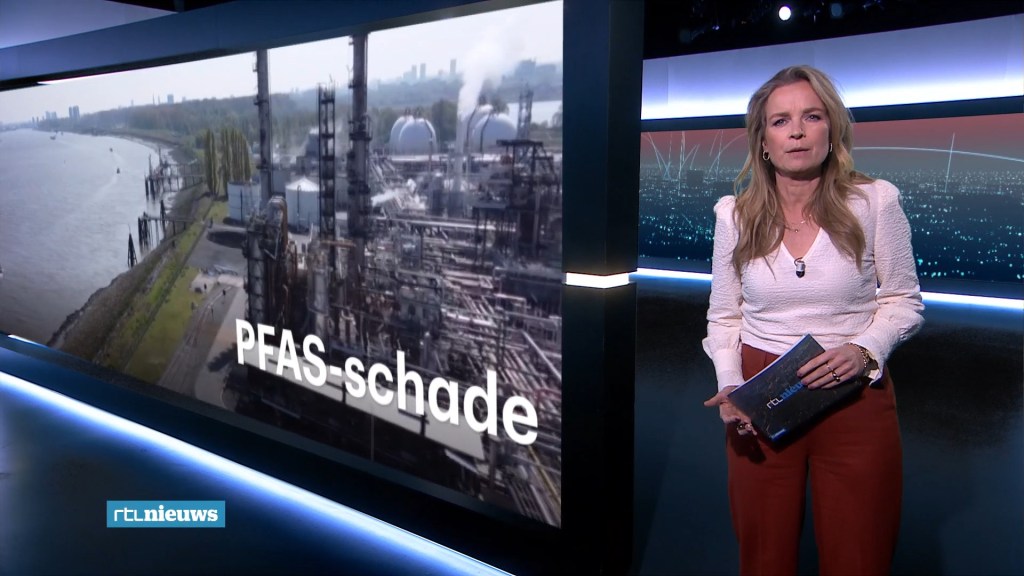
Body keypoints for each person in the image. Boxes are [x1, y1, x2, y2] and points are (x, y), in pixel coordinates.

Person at [701, 65, 924, 575]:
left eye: (812, 116)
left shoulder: (875, 202)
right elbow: (724, 315)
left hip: (853, 391)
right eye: (780, 121)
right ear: (763, 141)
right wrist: (731, 384)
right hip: (761, 391)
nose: (797, 132)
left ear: (832, 129)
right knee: (764, 557)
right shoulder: (734, 215)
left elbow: (903, 301)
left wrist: (865, 350)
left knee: (860, 556)